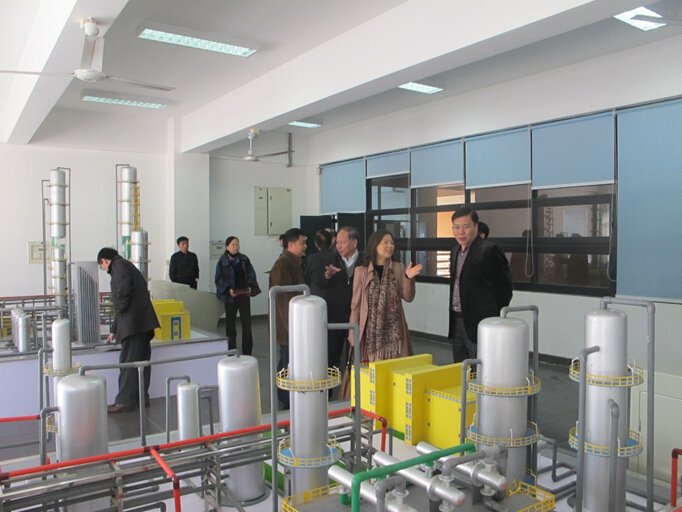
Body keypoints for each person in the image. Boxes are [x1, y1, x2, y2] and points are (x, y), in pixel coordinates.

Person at [97, 247, 160, 414]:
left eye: (102, 266)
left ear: (104, 261)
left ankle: (124, 401)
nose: (104, 269)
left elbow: (122, 293)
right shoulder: (127, 265)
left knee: (128, 362)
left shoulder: (118, 266)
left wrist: (121, 318)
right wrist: (115, 329)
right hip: (142, 324)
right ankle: (140, 398)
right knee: (141, 363)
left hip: (133, 325)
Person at [449, 207, 513, 363]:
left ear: (476, 227)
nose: (460, 232)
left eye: (466, 226)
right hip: (457, 321)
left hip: (481, 322)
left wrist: (492, 317)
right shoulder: (455, 251)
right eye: (456, 227)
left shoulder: (489, 250)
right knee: (460, 368)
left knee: (482, 367)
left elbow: (505, 288)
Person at [349, 230, 422, 363]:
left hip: (394, 331)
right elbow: (356, 305)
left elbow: (408, 297)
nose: (390, 246)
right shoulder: (361, 271)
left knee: (393, 367)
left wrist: (408, 278)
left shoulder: (398, 268)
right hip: (368, 330)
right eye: (385, 242)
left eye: (392, 243)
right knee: (368, 368)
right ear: (375, 245)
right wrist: (352, 331)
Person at [314, 226, 363, 372]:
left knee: (357, 356)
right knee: (331, 356)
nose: (339, 246)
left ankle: (353, 385)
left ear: (354, 242)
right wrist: (327, 275)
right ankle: (330, 385)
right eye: (337, 243)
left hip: (358, 316)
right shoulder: (330, 259)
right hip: (335, 316)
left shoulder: (365, 260)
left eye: (343, 242)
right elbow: (319, 283)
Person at [269, 228, 307, 410]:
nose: (305, 246)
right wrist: (293, 330)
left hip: (294, 326)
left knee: (288, 362)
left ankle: (287, 399)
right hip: (288, 329)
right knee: (287, 363)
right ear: (291, 244)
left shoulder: (295, 263)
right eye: (302, 243)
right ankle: (285, 401)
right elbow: (284, 302)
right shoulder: (283, 266)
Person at [215, 237, 260, 356]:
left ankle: (247, 353)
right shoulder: (222, 261)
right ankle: (232, 351)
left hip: (244, 296)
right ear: (227, 247)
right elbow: (218, 279)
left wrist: (250, 286)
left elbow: (251, 274)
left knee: (247, 325)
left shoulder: (244, 259)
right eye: (233, 245)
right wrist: (228, 289)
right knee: (230, 326)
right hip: (230, 298)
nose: (236, 247)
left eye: (237, 244)